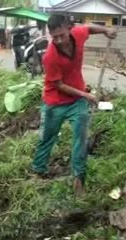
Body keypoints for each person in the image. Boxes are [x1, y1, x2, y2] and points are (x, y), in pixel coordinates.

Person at [31, 14, 117, 196]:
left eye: (62, 35)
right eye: (55, 37)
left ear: (69, 28)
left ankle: (78, 179)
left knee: (81, 138)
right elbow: (58, 85)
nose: (59, 40)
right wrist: (86, 94)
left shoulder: (78, 34)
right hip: (54, 102)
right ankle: (38, 170)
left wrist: (106, 30)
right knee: (47, 138)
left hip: (76, 102)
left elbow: (89, 29)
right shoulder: (50, 56)